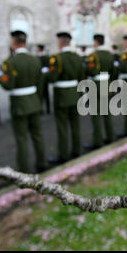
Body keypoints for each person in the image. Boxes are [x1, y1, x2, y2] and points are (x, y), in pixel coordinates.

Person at [0, 31, 46, 174]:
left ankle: (24, 169)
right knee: (37, 135)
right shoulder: (35, 60)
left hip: (20, 104)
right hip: (34, 101)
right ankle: (42, 162)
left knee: (22, 138)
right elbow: (40, 83)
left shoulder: (10, 62)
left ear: (14, 43)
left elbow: (8, 85)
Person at [47, 32, 84, 165]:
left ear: (61, 42)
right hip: (75, 94)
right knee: (75, 125)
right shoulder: (77, 57)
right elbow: (82, 77)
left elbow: (52, 78)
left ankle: (63, 155)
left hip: (62, 96)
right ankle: (77, 150)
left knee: (62, 127)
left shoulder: (57, 58)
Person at [83, 34, 115, 150]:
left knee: (96, 115)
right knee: (106, 113)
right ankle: (110, 136)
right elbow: (113, 70)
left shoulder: (93, 55)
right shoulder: (109, 54)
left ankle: (98, 141)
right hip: (107, 83)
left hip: (96, 85)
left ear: (96, 42)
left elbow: (91, 70)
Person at [37, 44, 51, 114]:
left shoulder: (46, 57)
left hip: (45, 78)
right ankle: (41, 109)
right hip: (39, 78)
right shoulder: (37, 57)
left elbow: (49, 66)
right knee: (40, 94)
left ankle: (47, 109)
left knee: (46, 94)